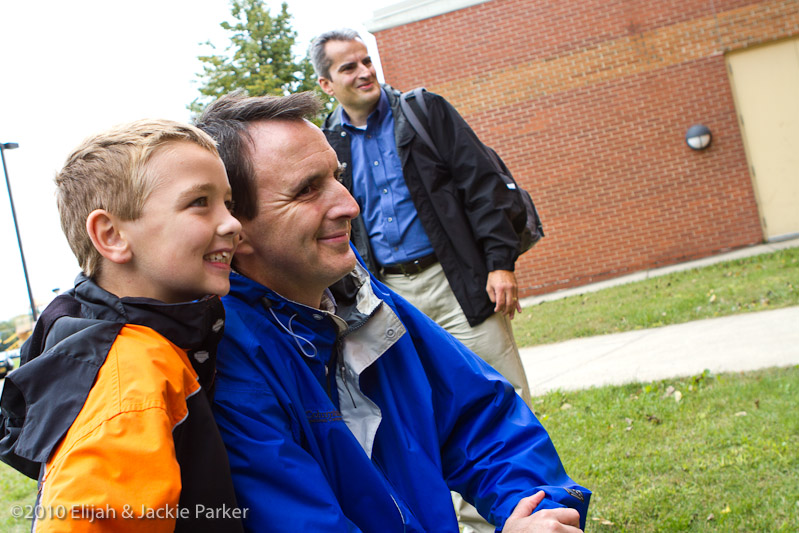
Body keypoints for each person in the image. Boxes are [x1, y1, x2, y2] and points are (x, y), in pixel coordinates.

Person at [195, 91, 590, 533]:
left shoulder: (357, 295)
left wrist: (535, 511)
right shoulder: (225, 359)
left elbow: (480, 417)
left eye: (337, 177)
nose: (350, 205)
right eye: (307, 190)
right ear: (235, 230)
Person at [311, 28, 534, 532]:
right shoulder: (329, 144)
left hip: (457, 286)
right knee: (413, 417)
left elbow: (482, 185)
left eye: (367, 60)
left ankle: (505, 520)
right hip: (385, 299)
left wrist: (500, 262)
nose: (364, 72)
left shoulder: (424, 112)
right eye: (349, 67)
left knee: (500, 398)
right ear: (327, 84)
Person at [0, 120, 245, 532]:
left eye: (228, 203)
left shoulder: (148, 343)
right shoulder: (129, 378)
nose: (233, 224)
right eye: (200, 202)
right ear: (111, 235)